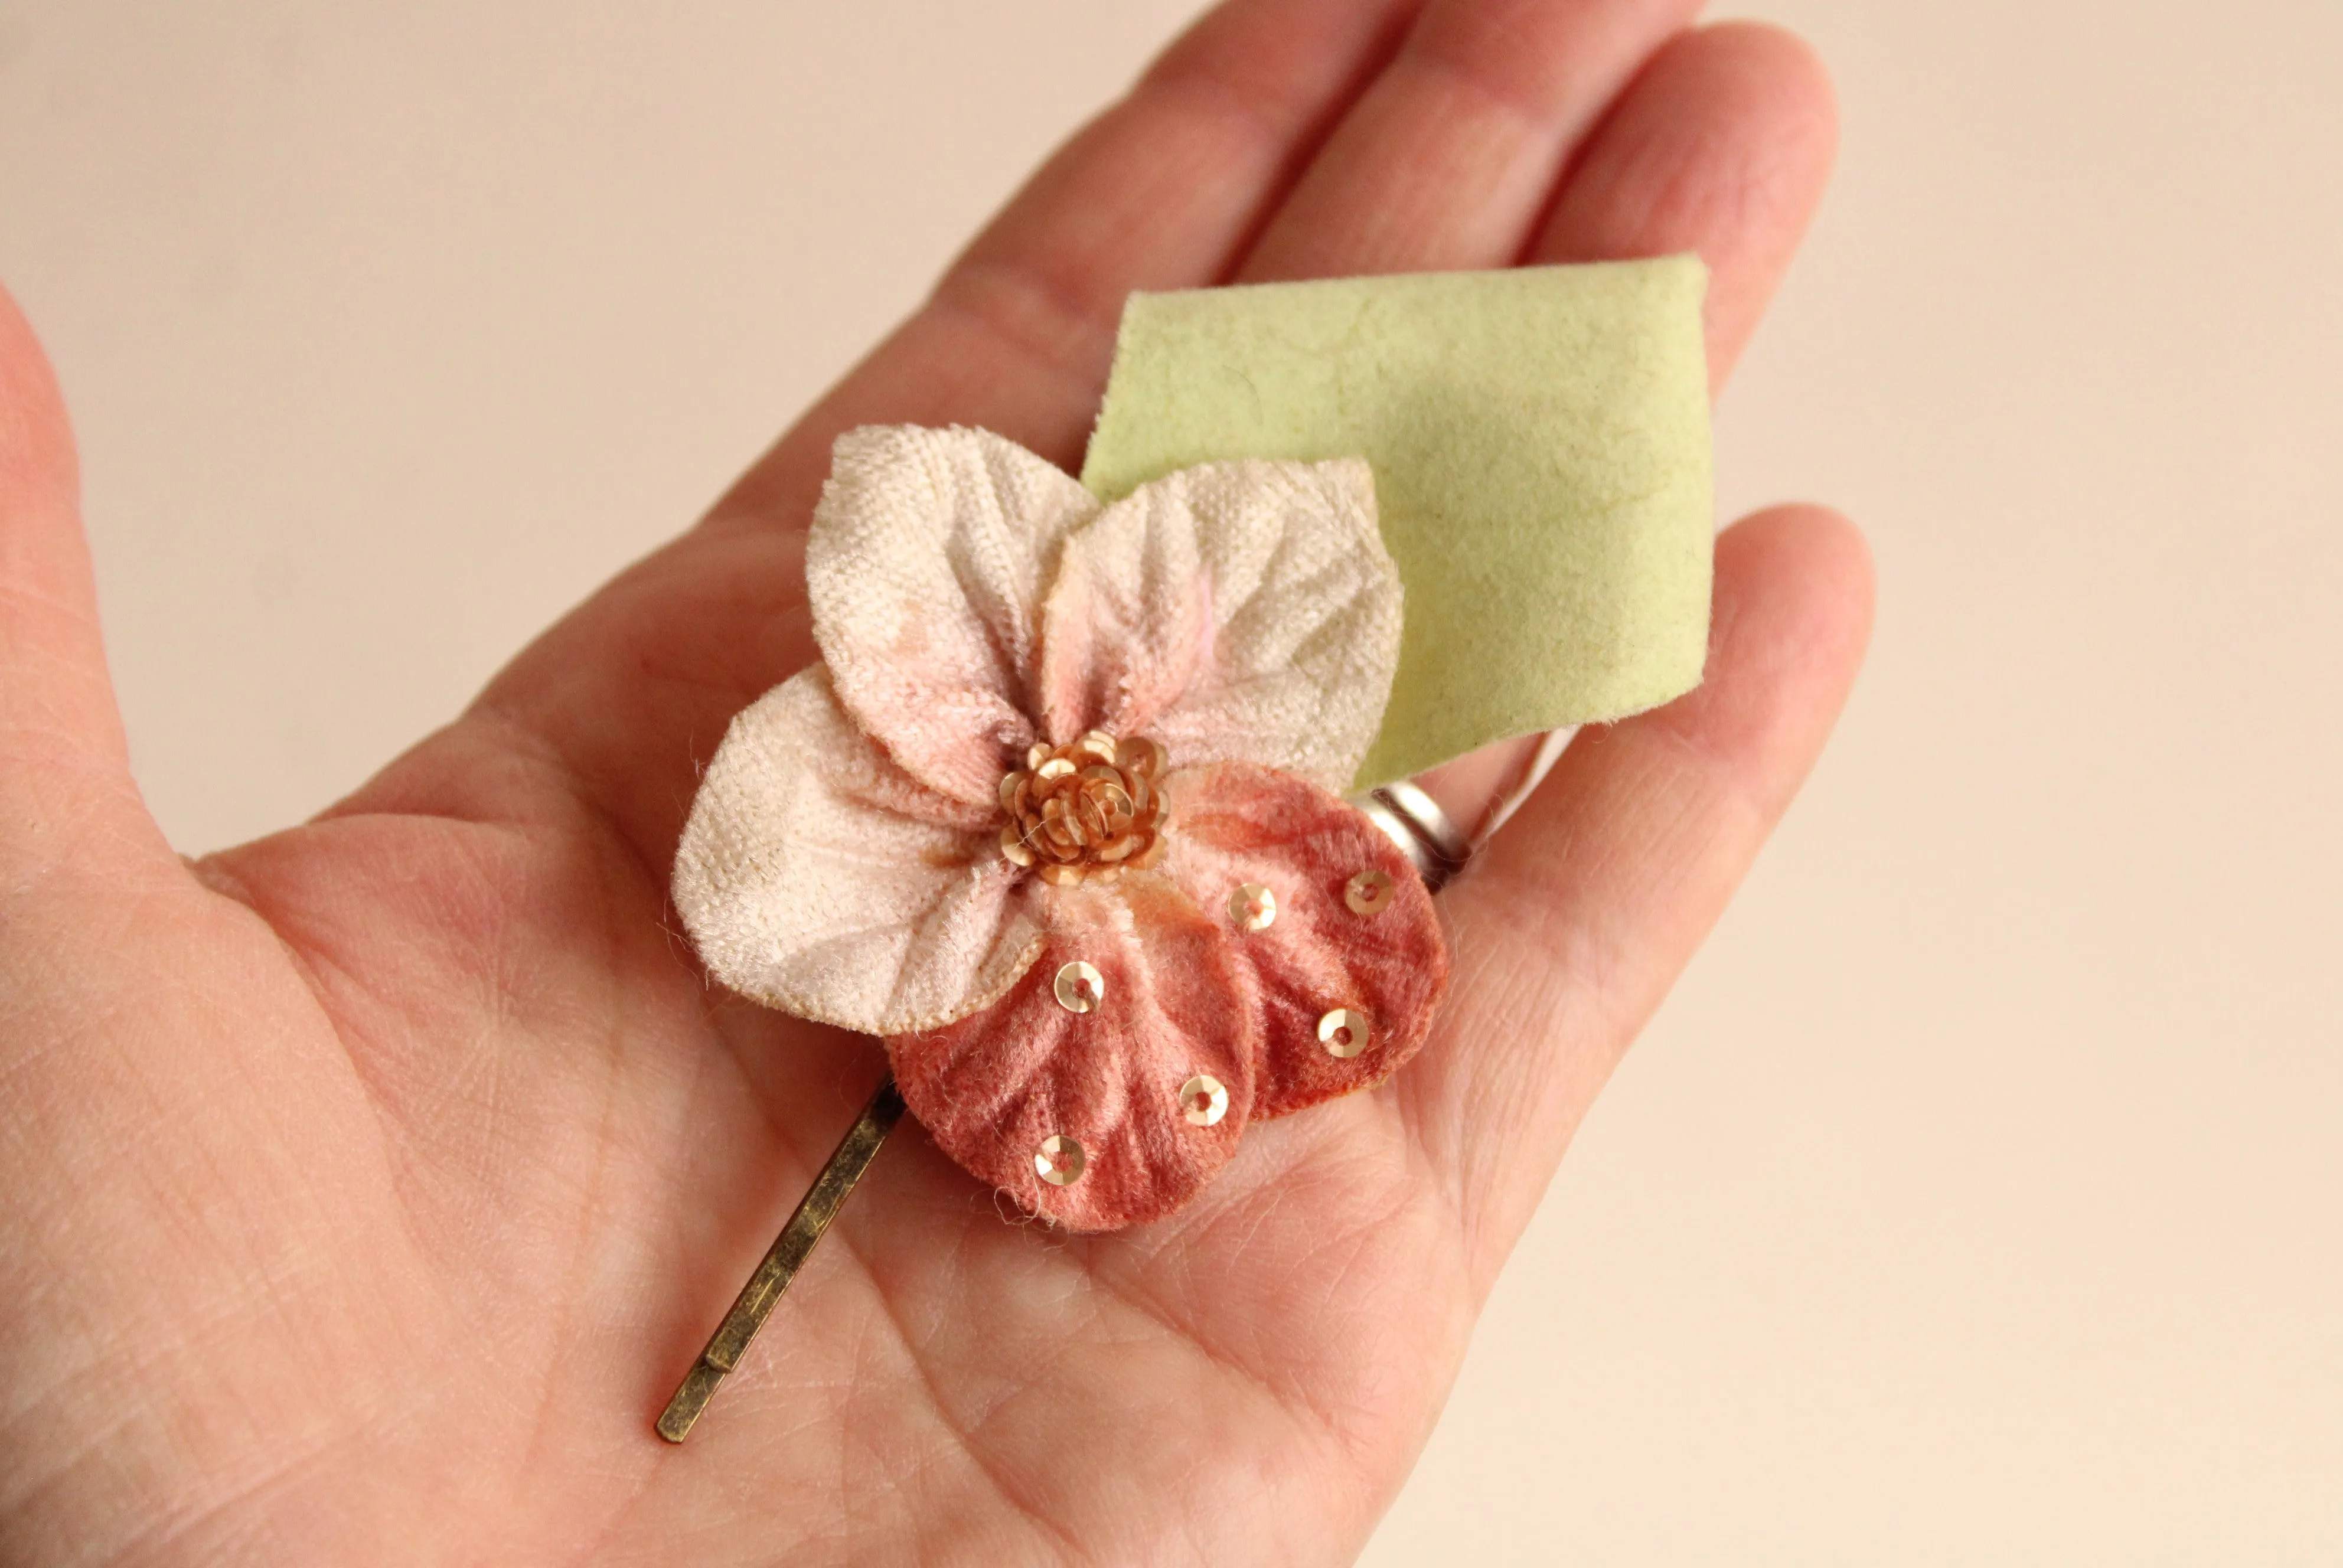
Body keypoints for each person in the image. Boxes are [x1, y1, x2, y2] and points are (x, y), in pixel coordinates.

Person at [0, 0, 1871, 1560]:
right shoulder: (900, 712)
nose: (1084, 814)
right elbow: (804, 823)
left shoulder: (1235, 741)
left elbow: (1282, 600)